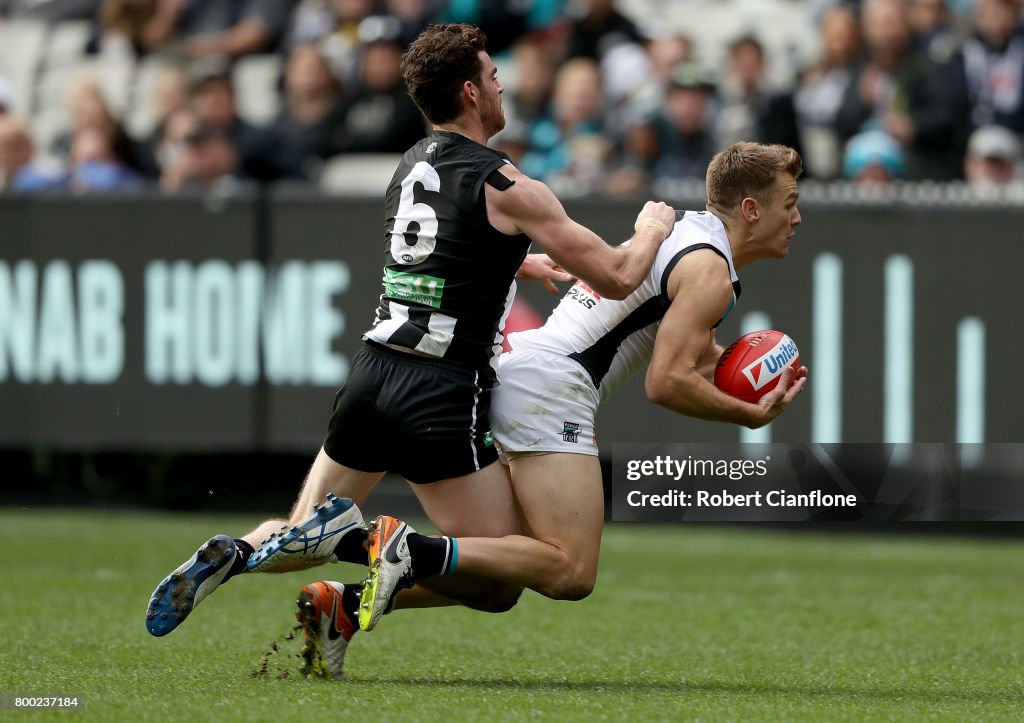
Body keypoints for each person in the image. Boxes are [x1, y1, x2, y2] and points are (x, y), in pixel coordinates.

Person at [145, 23, 675, 639]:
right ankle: (374, 542)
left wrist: (514, 262)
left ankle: (237, 551)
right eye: (495, 78)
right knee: (502, 577)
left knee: (300, 533)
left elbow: (434, 252)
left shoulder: (409, 163)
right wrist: (652, 229)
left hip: (372, 375)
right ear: (472, 92)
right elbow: (616, 275)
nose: (502, 88)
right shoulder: (506, 184)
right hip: (439, 391)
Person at [298, 141, 809, 678]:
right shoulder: (711, 272)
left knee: (501, 578)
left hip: (527, 369)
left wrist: (749, 374)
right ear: (751, 209)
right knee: (570, 570)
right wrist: (747, 414)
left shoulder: (690, 237)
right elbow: (665, 382)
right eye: (788, 202)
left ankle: (344, 608)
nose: (796, 217)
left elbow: (694, 357)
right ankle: (410, 548)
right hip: (551, 386)